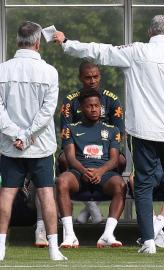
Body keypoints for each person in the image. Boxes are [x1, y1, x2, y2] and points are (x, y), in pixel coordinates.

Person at [54, 14, 164, 254]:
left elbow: (99, 51)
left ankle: (148, 242)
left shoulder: (136, 51)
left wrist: (66, 43)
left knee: (143, 186)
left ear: (149, 33)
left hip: (143, 131)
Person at [0, 21, 66, 261]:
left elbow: (0, 111)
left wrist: (16, 134)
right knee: (46, 194)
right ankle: (53, 249)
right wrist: (27, 135)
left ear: (18, 41)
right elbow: (47, 112)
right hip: (39, 145)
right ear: (38, 43)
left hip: (11, 145)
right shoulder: (49, 71)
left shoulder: (2, 69)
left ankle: (0, 248)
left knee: (6, 194)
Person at [56, 90, 126, 248]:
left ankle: (108, 234)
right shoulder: (70, 129)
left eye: (97, 106)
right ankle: (69, 235)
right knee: (61, 181)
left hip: (104, 173)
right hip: (79, 172)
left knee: (120, 185)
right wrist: (84, 171)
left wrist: (100, 171)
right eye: (89, 106)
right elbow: (70, 157)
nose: (94, 109)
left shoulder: (112, 130)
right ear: (81, 108)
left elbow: (115, 159)